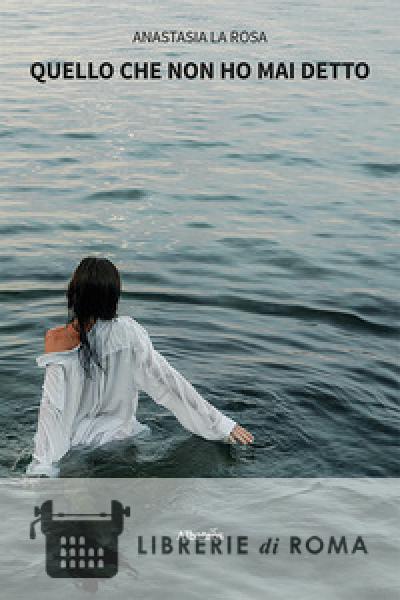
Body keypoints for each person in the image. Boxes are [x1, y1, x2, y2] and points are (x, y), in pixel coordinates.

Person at [26, 257, 254, 477]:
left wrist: (41, 466)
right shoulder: (128, 333)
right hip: (121, 439)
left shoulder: (57, 339)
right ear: (113, 298)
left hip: (75, 447)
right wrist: (220, 425)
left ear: (74, 293)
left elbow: (52, 409)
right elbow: (168, 382)